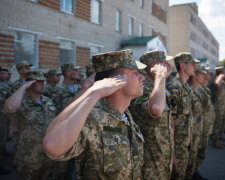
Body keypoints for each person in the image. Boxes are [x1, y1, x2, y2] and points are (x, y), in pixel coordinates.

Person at [43, 49, 146, 179]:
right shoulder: (92, 117)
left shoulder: (124, 114)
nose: (143, 77)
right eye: (135, 73)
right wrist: (93, 92)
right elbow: (52, 145)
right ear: (115, 81)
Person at [131, 50, 175, 180]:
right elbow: (156, 109)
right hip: (150, 157)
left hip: (164, 152)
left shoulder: (161, 87)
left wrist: (173, 154)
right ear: (152, 67)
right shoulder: (142, 88)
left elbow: (169, 122)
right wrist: (160, 77)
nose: (168, 65)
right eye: (163, 63)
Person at [4, 71, 56, 180]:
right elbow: (9, 108)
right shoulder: (21, 102)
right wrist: (23, 86)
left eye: (43, 81)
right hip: (28, 156)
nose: (43, 84)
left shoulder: (48, 101)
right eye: (39, 81)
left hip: (47, 155)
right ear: (30, 84)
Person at [167, 52, 197, 180]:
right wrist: (172, 152)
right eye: (192, 64)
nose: (195, 67)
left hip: (186, 141)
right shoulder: (174, 87)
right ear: (183, 66)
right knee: (177, 176)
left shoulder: (186, 87)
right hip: (178, 144)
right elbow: (170, 120)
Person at [185, 64, 204, 180]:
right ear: (195, 76)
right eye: (201, 73)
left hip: (197, 128)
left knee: (195, 155)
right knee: (188, 157)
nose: (205, 75)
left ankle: (194, 173)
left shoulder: (198, 90)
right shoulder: (188, 90)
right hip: (189, 131)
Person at [0, 67, 11, 174]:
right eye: (1, 73)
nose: (3, 75)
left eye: (5, 73)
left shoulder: (6, 86)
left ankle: (2, 154)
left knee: (3, 137)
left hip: (3, 116)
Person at [211, 66, 225, 148]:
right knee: (217, 124)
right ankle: (215, 141)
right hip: (218, 106)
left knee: (221, 123)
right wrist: (221, 76)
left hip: (223, 106)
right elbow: (217, 84)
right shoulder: (217, 80)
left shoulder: (222, 82)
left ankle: (219, 137)